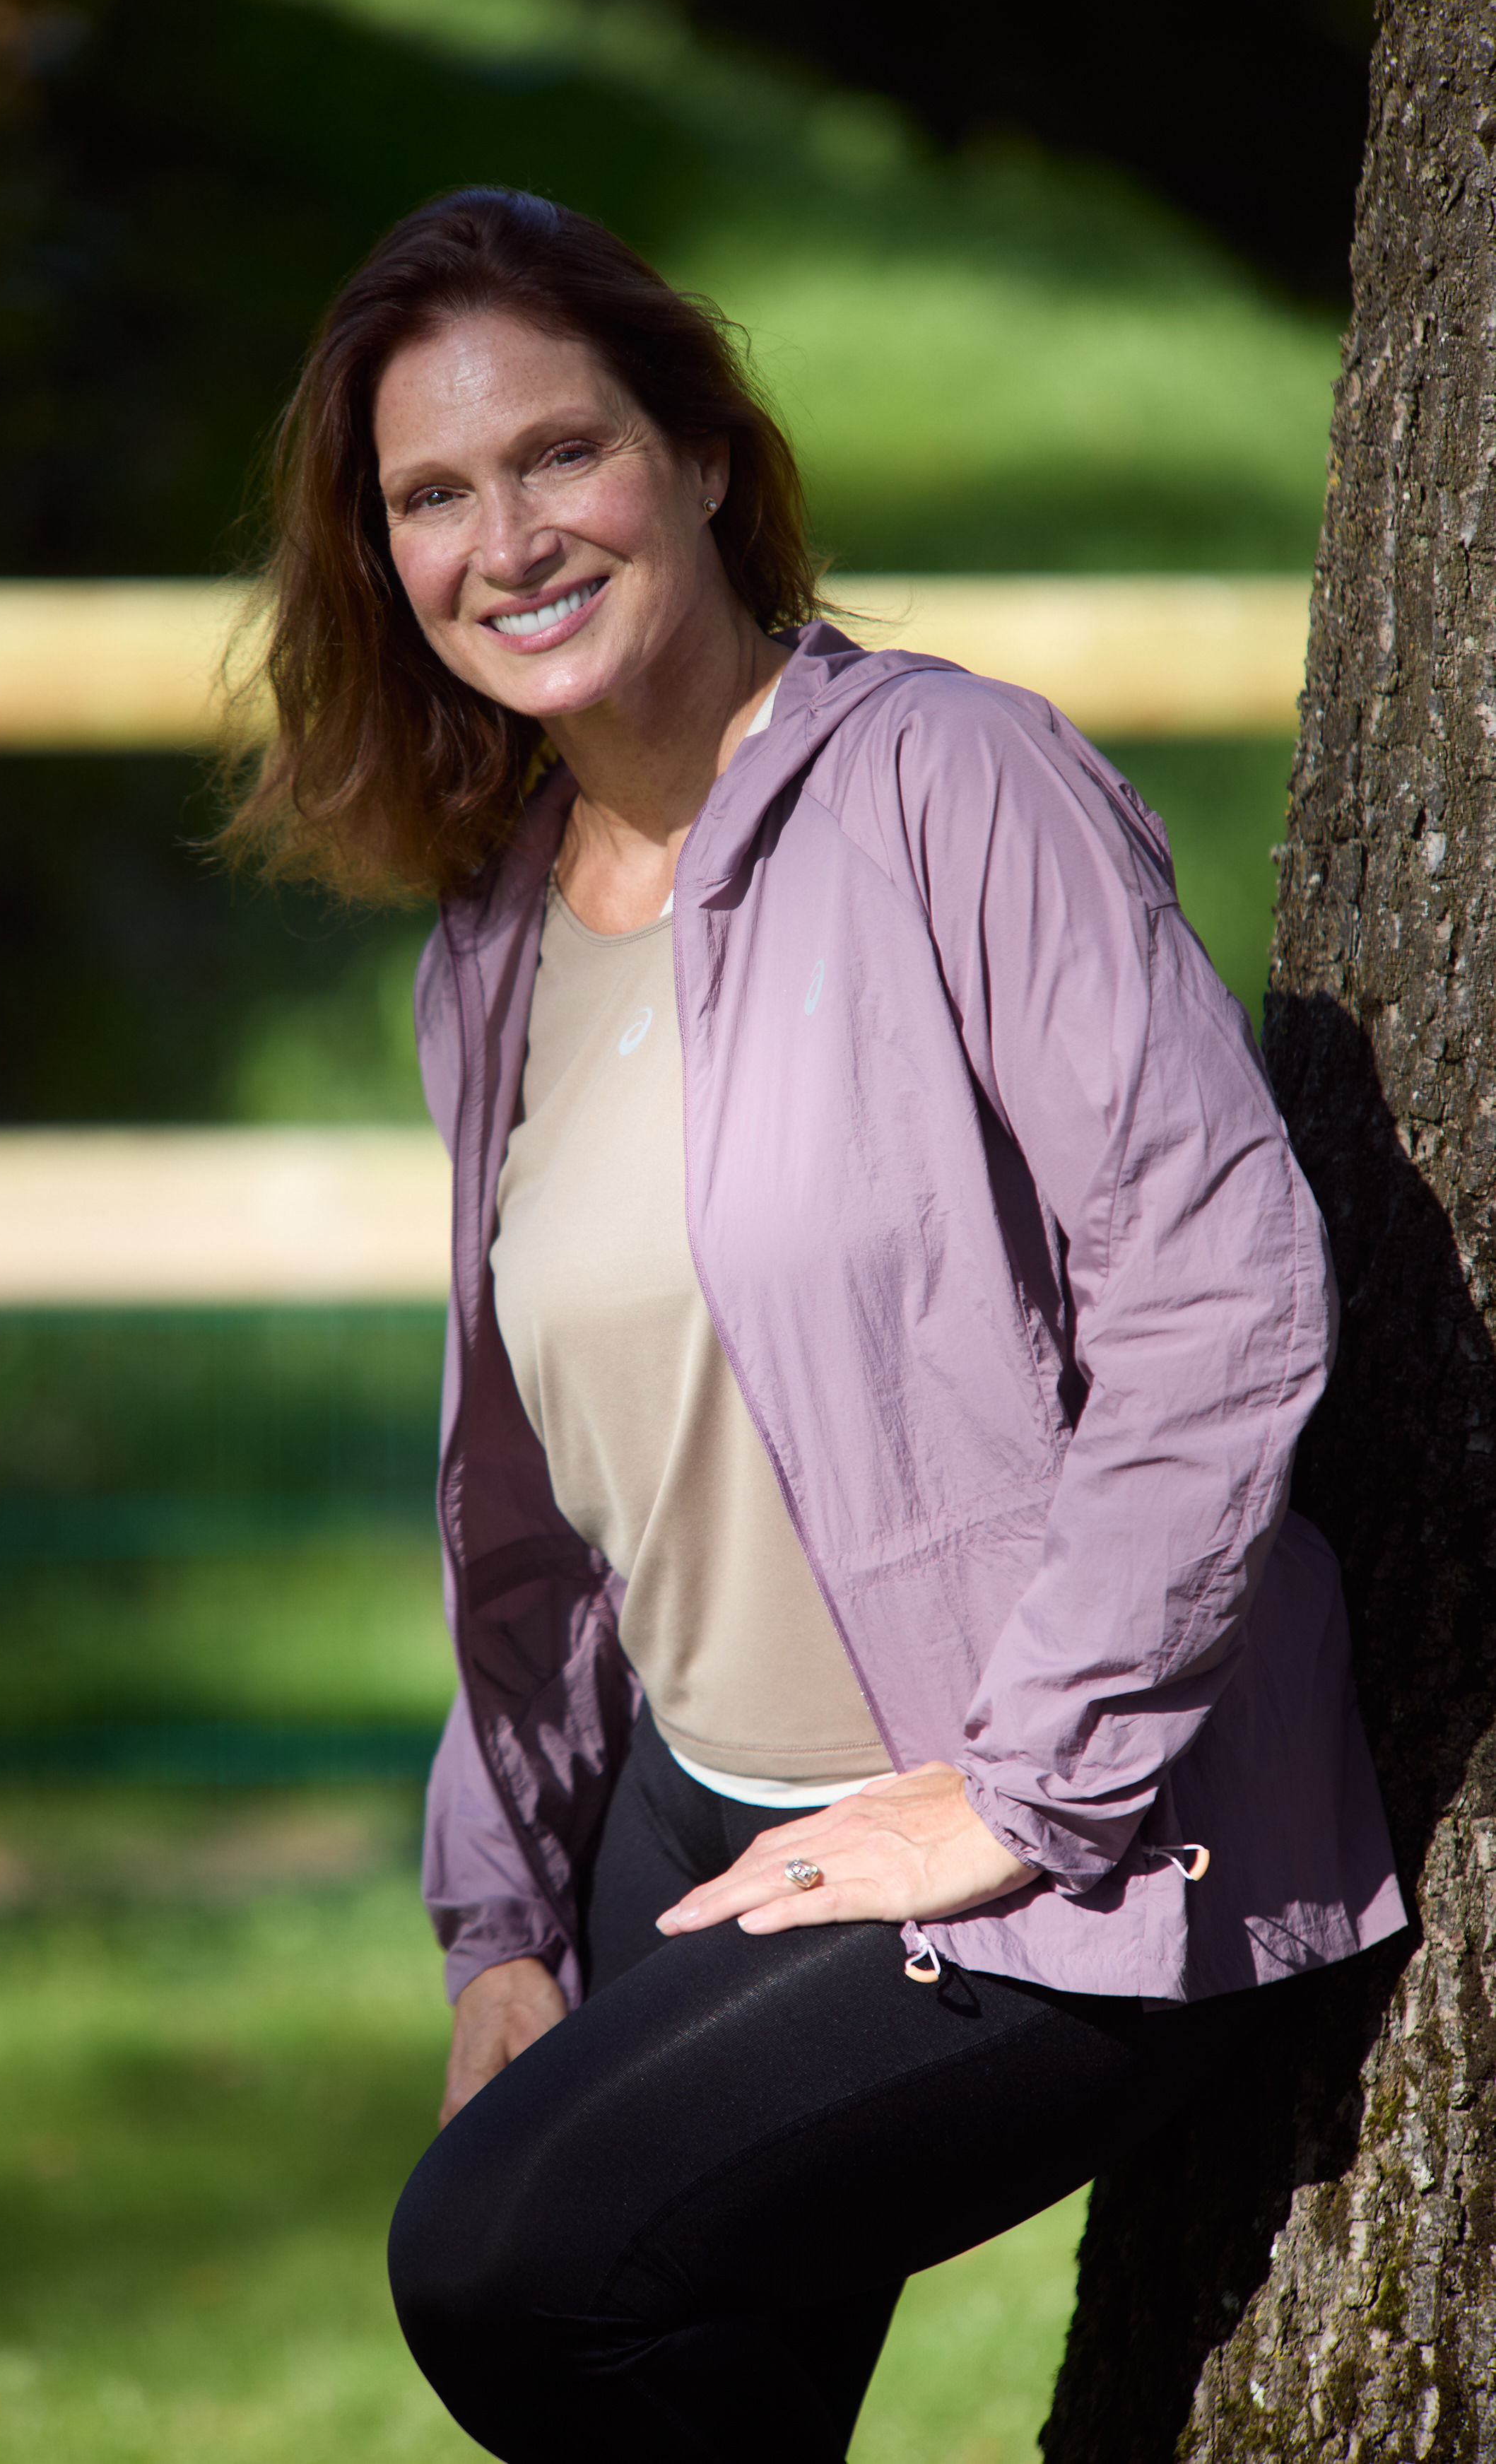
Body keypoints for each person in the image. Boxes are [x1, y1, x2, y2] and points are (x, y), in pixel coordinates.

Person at [226, 185, 1406, 2462]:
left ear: (695, 454)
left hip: (1057, 1828)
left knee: (504, 2265)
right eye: (431, 497)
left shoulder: (954, 784)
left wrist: (1027, 1790)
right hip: (697, 1814)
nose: (506, 539)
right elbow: (542, 1498)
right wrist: (504, 1919)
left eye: (559, 453)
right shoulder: (495, 937)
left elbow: (1217, 1283)